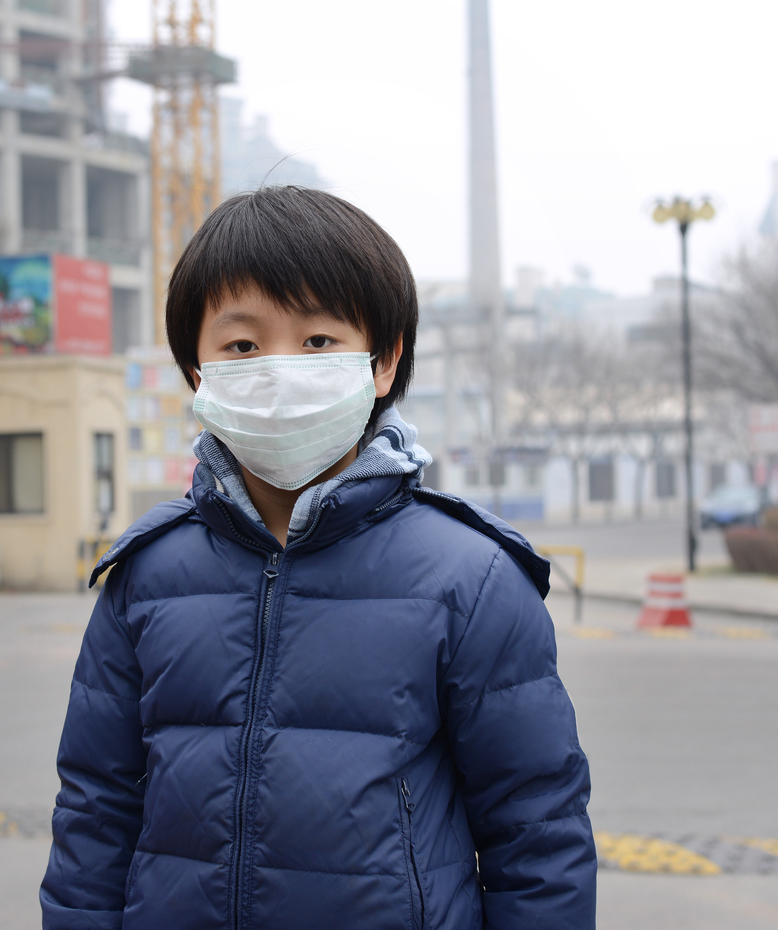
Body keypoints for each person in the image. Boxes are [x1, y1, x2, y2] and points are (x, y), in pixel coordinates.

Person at [40, 186, 597, 930]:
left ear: (383, 361)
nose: (279, 370)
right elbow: (94, 811)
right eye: (242, 346)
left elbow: (536, 830)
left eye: (318, 342)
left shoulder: (473, 578)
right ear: (198, 375)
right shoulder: (147, 576)